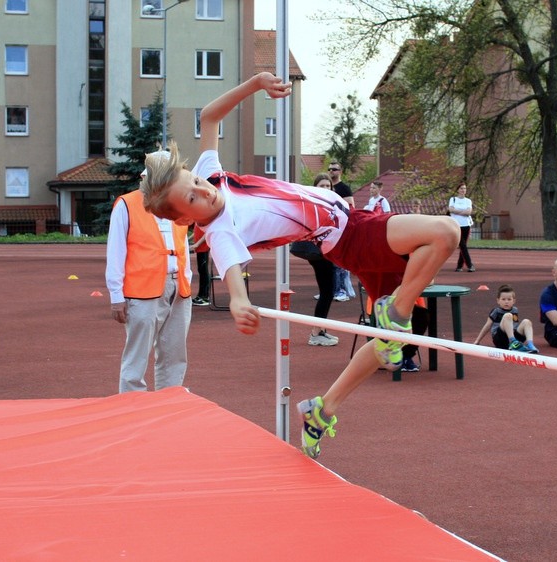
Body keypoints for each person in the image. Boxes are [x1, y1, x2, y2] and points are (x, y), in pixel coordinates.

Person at [139, 71, 460, 458]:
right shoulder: (221, 232)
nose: (202, 192)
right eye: (191, 199)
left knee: (390, 341)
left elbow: (208, 117)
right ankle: (397, 310)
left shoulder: (212, 175)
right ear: (183, 219)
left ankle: (322, 410)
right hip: (350, 235)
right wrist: (239, 303)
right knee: (445, 232)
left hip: (348, 234)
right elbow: (231, 275)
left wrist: (257, 83)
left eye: (195, 183)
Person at [105, 180, 193, 393]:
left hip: (178, 287)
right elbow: (115, 250)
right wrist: (116, 295)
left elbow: (183, 245)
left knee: (174, 351)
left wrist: (187, 279)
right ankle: (133, 403)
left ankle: (169, 398)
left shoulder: (177, 202)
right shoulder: (127, 204)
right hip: (143, 289)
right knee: (137, 353)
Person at [297, 173, 339, 346]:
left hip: (325, 251)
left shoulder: (330, 204)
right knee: (327, 291)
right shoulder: (316, 204)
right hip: (320, 252)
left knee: (327, 291)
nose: (325, 189)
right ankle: (316, 332)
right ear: (315, 187)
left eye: (328, 186)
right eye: (322, 186)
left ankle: (320, 329)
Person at [473, 284, 539, 353]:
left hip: (514, 336)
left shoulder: (515, 310)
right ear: (498, 301)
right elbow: (487, 325)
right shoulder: (496, 311)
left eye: (509, 299)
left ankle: (530, 345)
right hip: (500, 339)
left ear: (514, 301)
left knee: (527, 321)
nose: (506, 302)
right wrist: (477, 340)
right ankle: (512, 342)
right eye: (503, 299)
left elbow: (515, 326)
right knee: (508, 315)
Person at [328, 162, 354, 302]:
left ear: (340, 171)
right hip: (329, 229)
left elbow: (350, 208)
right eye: (330, 169)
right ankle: (330, 290)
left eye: (334, 169)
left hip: (341, 230)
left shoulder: (344, 189)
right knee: (329, 263)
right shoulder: (328, 187)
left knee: (339, 263)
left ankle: (342, 290)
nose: (331, 171)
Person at [448, 182, 475, 272]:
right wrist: (462, 211)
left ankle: (459, 266)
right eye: (461, 188)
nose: (463, 190)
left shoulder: (468, 201)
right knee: (462, 245)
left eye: (464, 188)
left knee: (463, 246)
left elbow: (468, 212)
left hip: (466, 225)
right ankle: (470, 265)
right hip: (455, 225)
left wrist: (457, 211)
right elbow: (451, 209)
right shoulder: (453, 199)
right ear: (458, 190)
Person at [190, 224, 210, 306]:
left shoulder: (203, 220)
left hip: (203, 248)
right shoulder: (198, 221)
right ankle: (200, 295)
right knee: (201, 270)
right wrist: (188, 239)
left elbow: (208, 232)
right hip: (199, 248)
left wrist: (197, 244)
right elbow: (196, 232)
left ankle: (205, 297)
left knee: (203, 271)